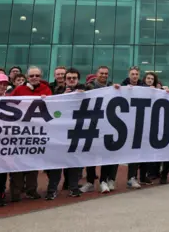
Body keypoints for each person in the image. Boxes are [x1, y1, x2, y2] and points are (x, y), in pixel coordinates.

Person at [9, 66, 52, 201]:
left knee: (33, 162)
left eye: (37, 75)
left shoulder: (46, 89)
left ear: (40, 77)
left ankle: (31, 190)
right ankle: (16, 191)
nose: (34, 78)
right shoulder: (19, 89)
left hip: (36, 131)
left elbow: (52, 108)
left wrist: (48, 100)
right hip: (20, 131)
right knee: (17, 162)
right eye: (32, 76)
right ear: (27, 77)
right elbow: (8, 104)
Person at [45, 67, 85, 200]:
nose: (72, 80)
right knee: (57, 163)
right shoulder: (57, 91)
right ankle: (52, 190)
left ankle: (73, 187)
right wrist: (63, 96)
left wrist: (83, 95)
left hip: (76, 132)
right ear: (65, 79)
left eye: (74, 78)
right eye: (69, 78)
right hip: (60, 133)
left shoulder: (86, 90)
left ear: (78, 79)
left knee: (74, 162)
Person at [81, 66, 116, 194]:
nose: (104, 75)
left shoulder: (112, 87)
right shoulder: (89, 87)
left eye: (106, 73)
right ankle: (90, 182)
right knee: (91, 155)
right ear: (97, 74)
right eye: (102, 73)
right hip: (92, 125)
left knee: (106, 155)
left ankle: (103, 181)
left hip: (107, 125)